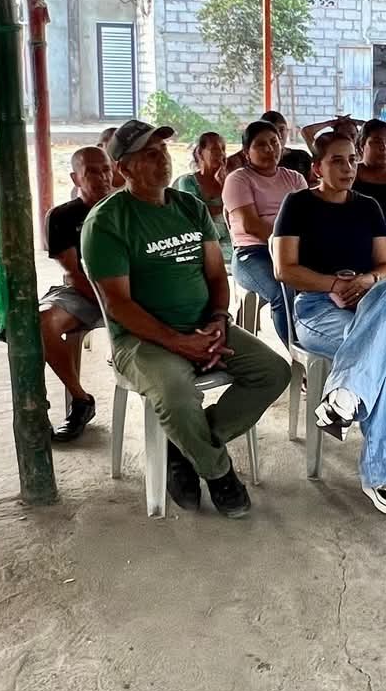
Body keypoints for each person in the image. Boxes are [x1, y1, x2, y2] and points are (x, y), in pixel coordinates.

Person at [81, 118, 286, 518]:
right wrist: (178, 342)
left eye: (163, 151)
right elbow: (119, 304)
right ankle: (219, 471)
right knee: (177, 395)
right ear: (124, 168)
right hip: (141, 340)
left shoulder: (189, 207)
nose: (162, 160)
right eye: (149, 154)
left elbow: (216, 275)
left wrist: (219, 320)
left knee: (274, 372)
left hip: (204, 326)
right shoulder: (107, 221)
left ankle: (184, 445)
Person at [274, 131, 386, 514]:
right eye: (337, 160)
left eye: (352, 159)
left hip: (367, 305)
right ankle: (385, 472)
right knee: (385, 356)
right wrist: (334, 285)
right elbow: (285, 269)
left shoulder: (368, 207)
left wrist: (365, 281)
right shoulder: (298, 204)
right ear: (317, 168)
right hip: (316, 308)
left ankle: (345, 395)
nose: (348, 167)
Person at [41, 144, 115, 442]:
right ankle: (80, 400)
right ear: (75, 178)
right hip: (84, 291)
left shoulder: (127, 207)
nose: (102, 178)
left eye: (106, 170)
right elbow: (75, 273)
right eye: (92, 172)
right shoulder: (61, 216)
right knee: (40, 322)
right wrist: (114, 305)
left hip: (133, 289)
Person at [221, 118, 306, 343]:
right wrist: (290, 244)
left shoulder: (294, 178)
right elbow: (251, 225)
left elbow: (308, 220)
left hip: (295, 251)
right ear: (246, 152)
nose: (270, 149)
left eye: (274, 142)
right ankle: (299, 353)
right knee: (282, 291)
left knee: (330, 282)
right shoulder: (238, 179)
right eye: (261, 144)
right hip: (253, 254)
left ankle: (323, 342)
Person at [172, 131, 231, 239]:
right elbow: (195, 212)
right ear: (200, 153)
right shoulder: (188, 181)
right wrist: (225, 208)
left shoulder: (229, 180)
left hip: (230, 240)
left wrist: (224, 183)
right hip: (203, 241)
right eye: (214, 149)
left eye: (222, 149)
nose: (220, 154)